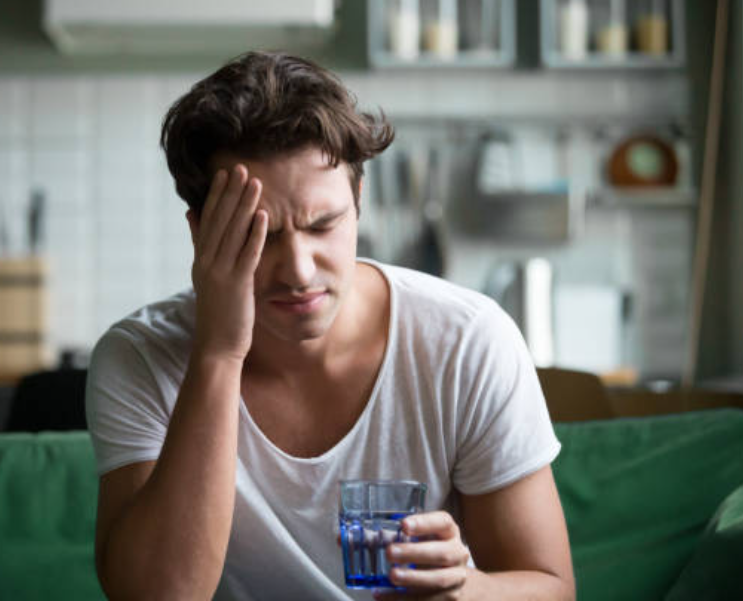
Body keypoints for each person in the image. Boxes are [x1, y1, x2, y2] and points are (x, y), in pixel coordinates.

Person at [85, 51, 575, 601]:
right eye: (261, 235)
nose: (299, 270)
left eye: (324, 225)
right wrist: (219, 353)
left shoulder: (467, 341)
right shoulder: (140, 357)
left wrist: (466, 591)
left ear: (358, 200)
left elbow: (552, 588)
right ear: (201, 233)